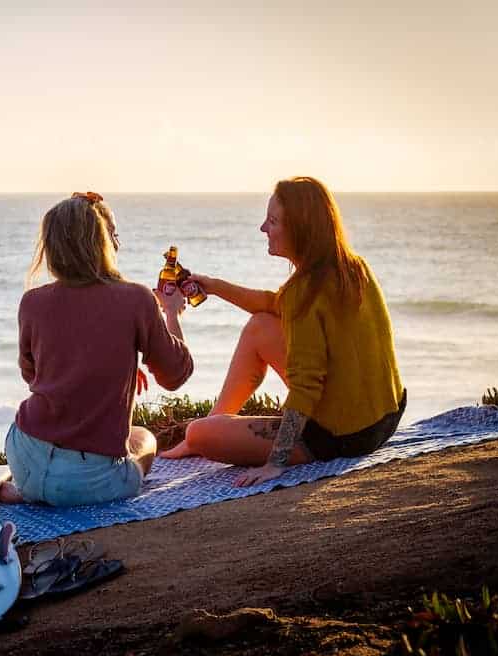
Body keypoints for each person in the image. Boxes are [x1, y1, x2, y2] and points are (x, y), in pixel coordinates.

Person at [160, 176, 405, 487]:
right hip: (384, 419)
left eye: (273, 221)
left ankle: (204, 433)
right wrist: (215, 286)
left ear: (300, 229)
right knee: (260, 326)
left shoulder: (304, 291)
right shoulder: (354, 267)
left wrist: (275, 463)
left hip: (342, 437)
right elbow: (275, 304)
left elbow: (306, 385)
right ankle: (215, 421)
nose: (263, 228)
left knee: (199, 433)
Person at [0, 191, 194, 506]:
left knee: (56, 453)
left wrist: (114, 367)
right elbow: (175, 375)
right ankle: (58, 488)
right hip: (92, 482)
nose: (118, 245)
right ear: (99, 242)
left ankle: (31, 489)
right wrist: (171, 313)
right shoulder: (135, 298)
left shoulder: (31, 302)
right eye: (112, 235)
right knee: (144, 438)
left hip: (25, 455)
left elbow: (33, 374)